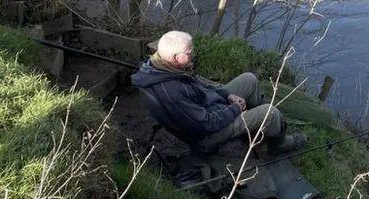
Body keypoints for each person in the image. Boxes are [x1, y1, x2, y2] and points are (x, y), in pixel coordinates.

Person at [131, 30, 305, 153]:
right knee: (270, 112)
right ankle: (278, 145)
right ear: (176, 57)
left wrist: (226, 95)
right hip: (207, 137)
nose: (193, 55)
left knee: (249, 79)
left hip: (208, 108)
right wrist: (235, 109)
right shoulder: (172, 92)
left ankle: (255, 130)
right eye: (189, 53)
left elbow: (200, 84)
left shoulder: (160, 67)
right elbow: (205, 125)